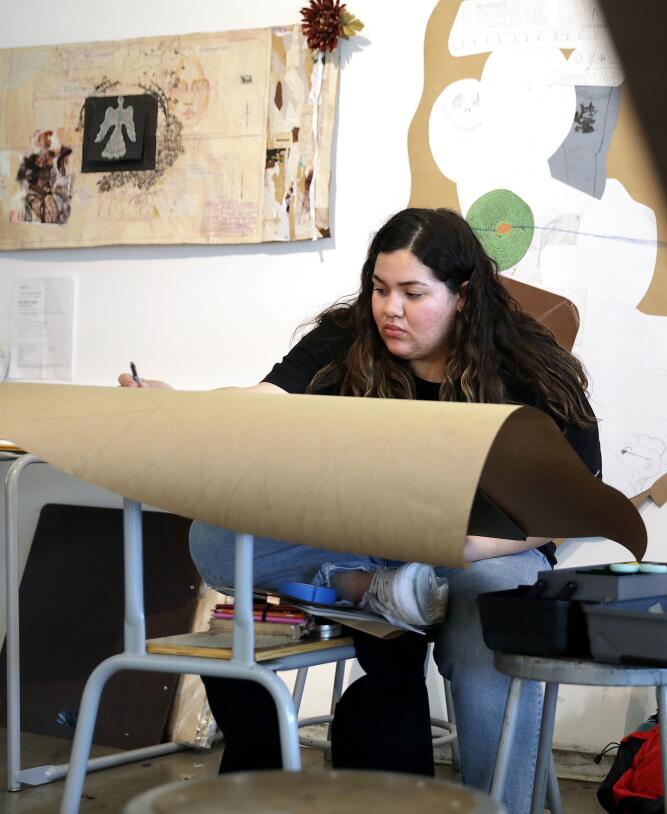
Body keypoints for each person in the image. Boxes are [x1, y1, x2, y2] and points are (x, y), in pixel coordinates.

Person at [118, 208, 600, 813]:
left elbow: (575, 499)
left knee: (490, 616)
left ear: (463, 294)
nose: (389, 309)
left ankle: (497, 805)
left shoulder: (528, 363)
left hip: (485, 550)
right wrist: (181, 408)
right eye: (379, 288)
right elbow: (264, 404)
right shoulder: (346, 340)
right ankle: (380, 586)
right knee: (215, 540)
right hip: (369, 540)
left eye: (412, 293)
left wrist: (472, 547)